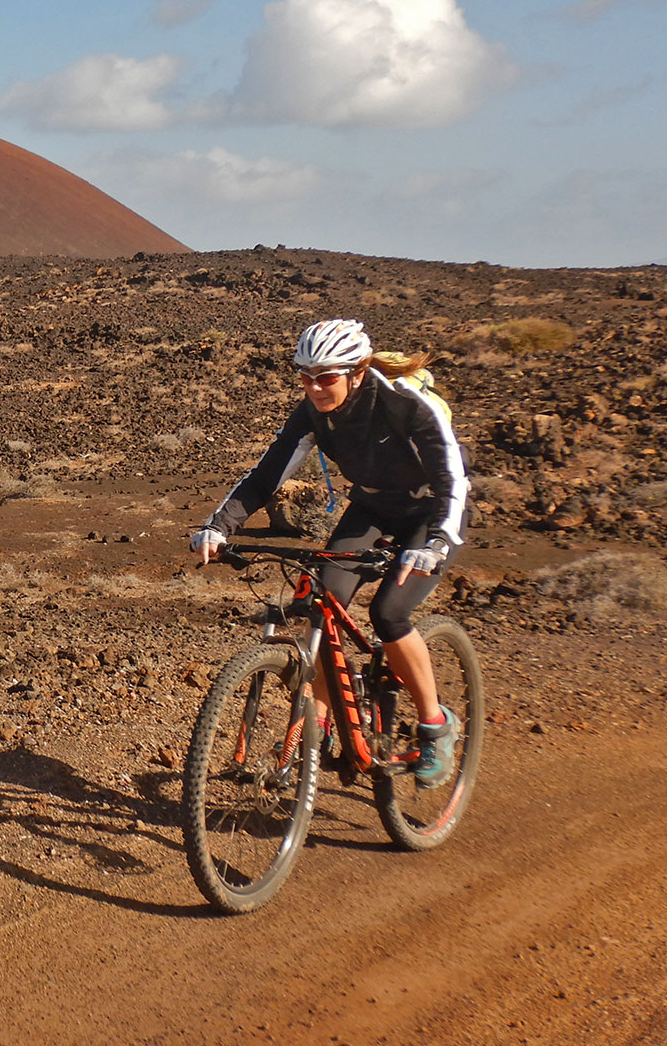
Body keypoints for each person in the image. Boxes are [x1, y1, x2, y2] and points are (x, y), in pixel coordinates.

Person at [189, 318, 471, 788]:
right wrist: (218, 526)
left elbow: (451, 477)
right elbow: (266, 475)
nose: (315, 387)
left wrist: (438, 541)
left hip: (431, 511)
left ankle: (435, 725)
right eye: (305, 376)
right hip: (373, 507)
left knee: (389, 611)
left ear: (356, 372)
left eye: (326, 377)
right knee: (323, 600)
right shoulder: (312, 413)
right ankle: (315, 731)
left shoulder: (404, 404)